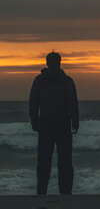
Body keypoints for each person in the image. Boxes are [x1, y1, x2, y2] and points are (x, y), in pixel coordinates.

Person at [29, 51, 79, 195]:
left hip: (45, 123)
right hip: (63, 123)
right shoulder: (67, 80)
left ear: (47, 63)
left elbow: (33, 103)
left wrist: (34, 121)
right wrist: (75, 121)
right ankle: (65, 191)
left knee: (44, 158)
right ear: (60, 62)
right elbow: (72, 103)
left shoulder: (39, 80)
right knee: (65, 159)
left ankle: (41, 190)